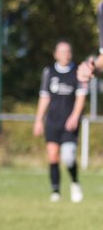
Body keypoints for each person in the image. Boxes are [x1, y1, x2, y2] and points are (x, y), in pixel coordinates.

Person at [33, 40, 86, 202]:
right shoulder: (49, 72)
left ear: (71, 54)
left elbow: (81, 96)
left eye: (68, 51)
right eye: (61, 52)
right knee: (53, 157)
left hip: (69, 122)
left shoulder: (78, 72)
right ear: (55, 54)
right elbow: (44, 97)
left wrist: (75, 116)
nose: (65, 55)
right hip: (52, 121)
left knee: (69, 157)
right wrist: (38, 120)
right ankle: (55, 191)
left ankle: (75, 182)